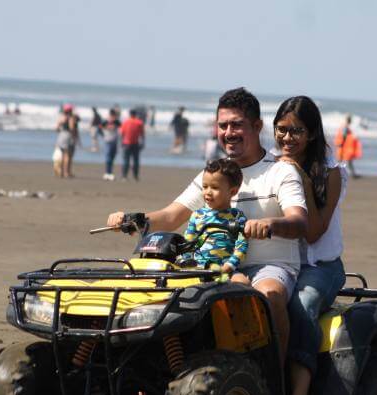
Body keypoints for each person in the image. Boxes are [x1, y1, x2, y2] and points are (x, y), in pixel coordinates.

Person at [107, 87, 307, 367]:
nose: (229, 132)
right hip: (213, 264)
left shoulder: (281, 171)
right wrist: (134, 219)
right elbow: (172, 215)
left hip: (270, 266)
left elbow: (299, 221)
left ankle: (275, 381)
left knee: (266, 296)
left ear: (257, 126)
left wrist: (270, 224)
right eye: (223, 125)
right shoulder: (214, 175)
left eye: (237, 124)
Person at [273, 96, 347, 395]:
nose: (288, 138)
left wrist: (300, 178)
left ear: (313, 134)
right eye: (282, 129)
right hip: (281, 261)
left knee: (302, 304)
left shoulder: (331, 173)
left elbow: (315, 232)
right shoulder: (270, 167)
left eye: (297, 131)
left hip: (321, 267)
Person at [181, 158, 248, 274]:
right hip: (198, 269)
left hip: (225, 270)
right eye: (205, 186)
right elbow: (188, 242)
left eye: (215, 187)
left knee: (243, 283)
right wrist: (187, 261)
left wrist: (229, 266)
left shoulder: (237, 217)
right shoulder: (197, 216)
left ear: (233, 191)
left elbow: (242, 246)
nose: (208, 192)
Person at [120, 109, 145, 181]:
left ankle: (124, 176)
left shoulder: (125, 122)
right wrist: (143, 143)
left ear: (130, 114)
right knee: (136, 161)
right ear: (135, 114)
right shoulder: (139, 122)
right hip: (135, 144)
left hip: (126, 144)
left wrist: (121, 142)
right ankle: (135, 176)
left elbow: (122, 133)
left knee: (126, 160)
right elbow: (142, 134)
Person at [55, 104, 79, 178]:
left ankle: (61, 172)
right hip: (68, 136)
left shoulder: (62, 117)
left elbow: (56, 128)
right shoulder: (71, 118)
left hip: (61, 136)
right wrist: (74, 136)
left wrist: (61, 132)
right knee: (68, 155)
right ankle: (67, 172)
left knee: (62, 155)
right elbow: (71, 128)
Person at [102, 108, 121, 181]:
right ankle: (107, 173)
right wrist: (104, 133)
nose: (113, 117)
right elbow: (100, 128)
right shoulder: (106, 121)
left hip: (115, 141)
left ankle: (109, 172)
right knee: (108, 157)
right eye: (113, 115)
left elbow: (121, 128)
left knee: (112, 157)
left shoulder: (117, 122)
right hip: (108, 141)